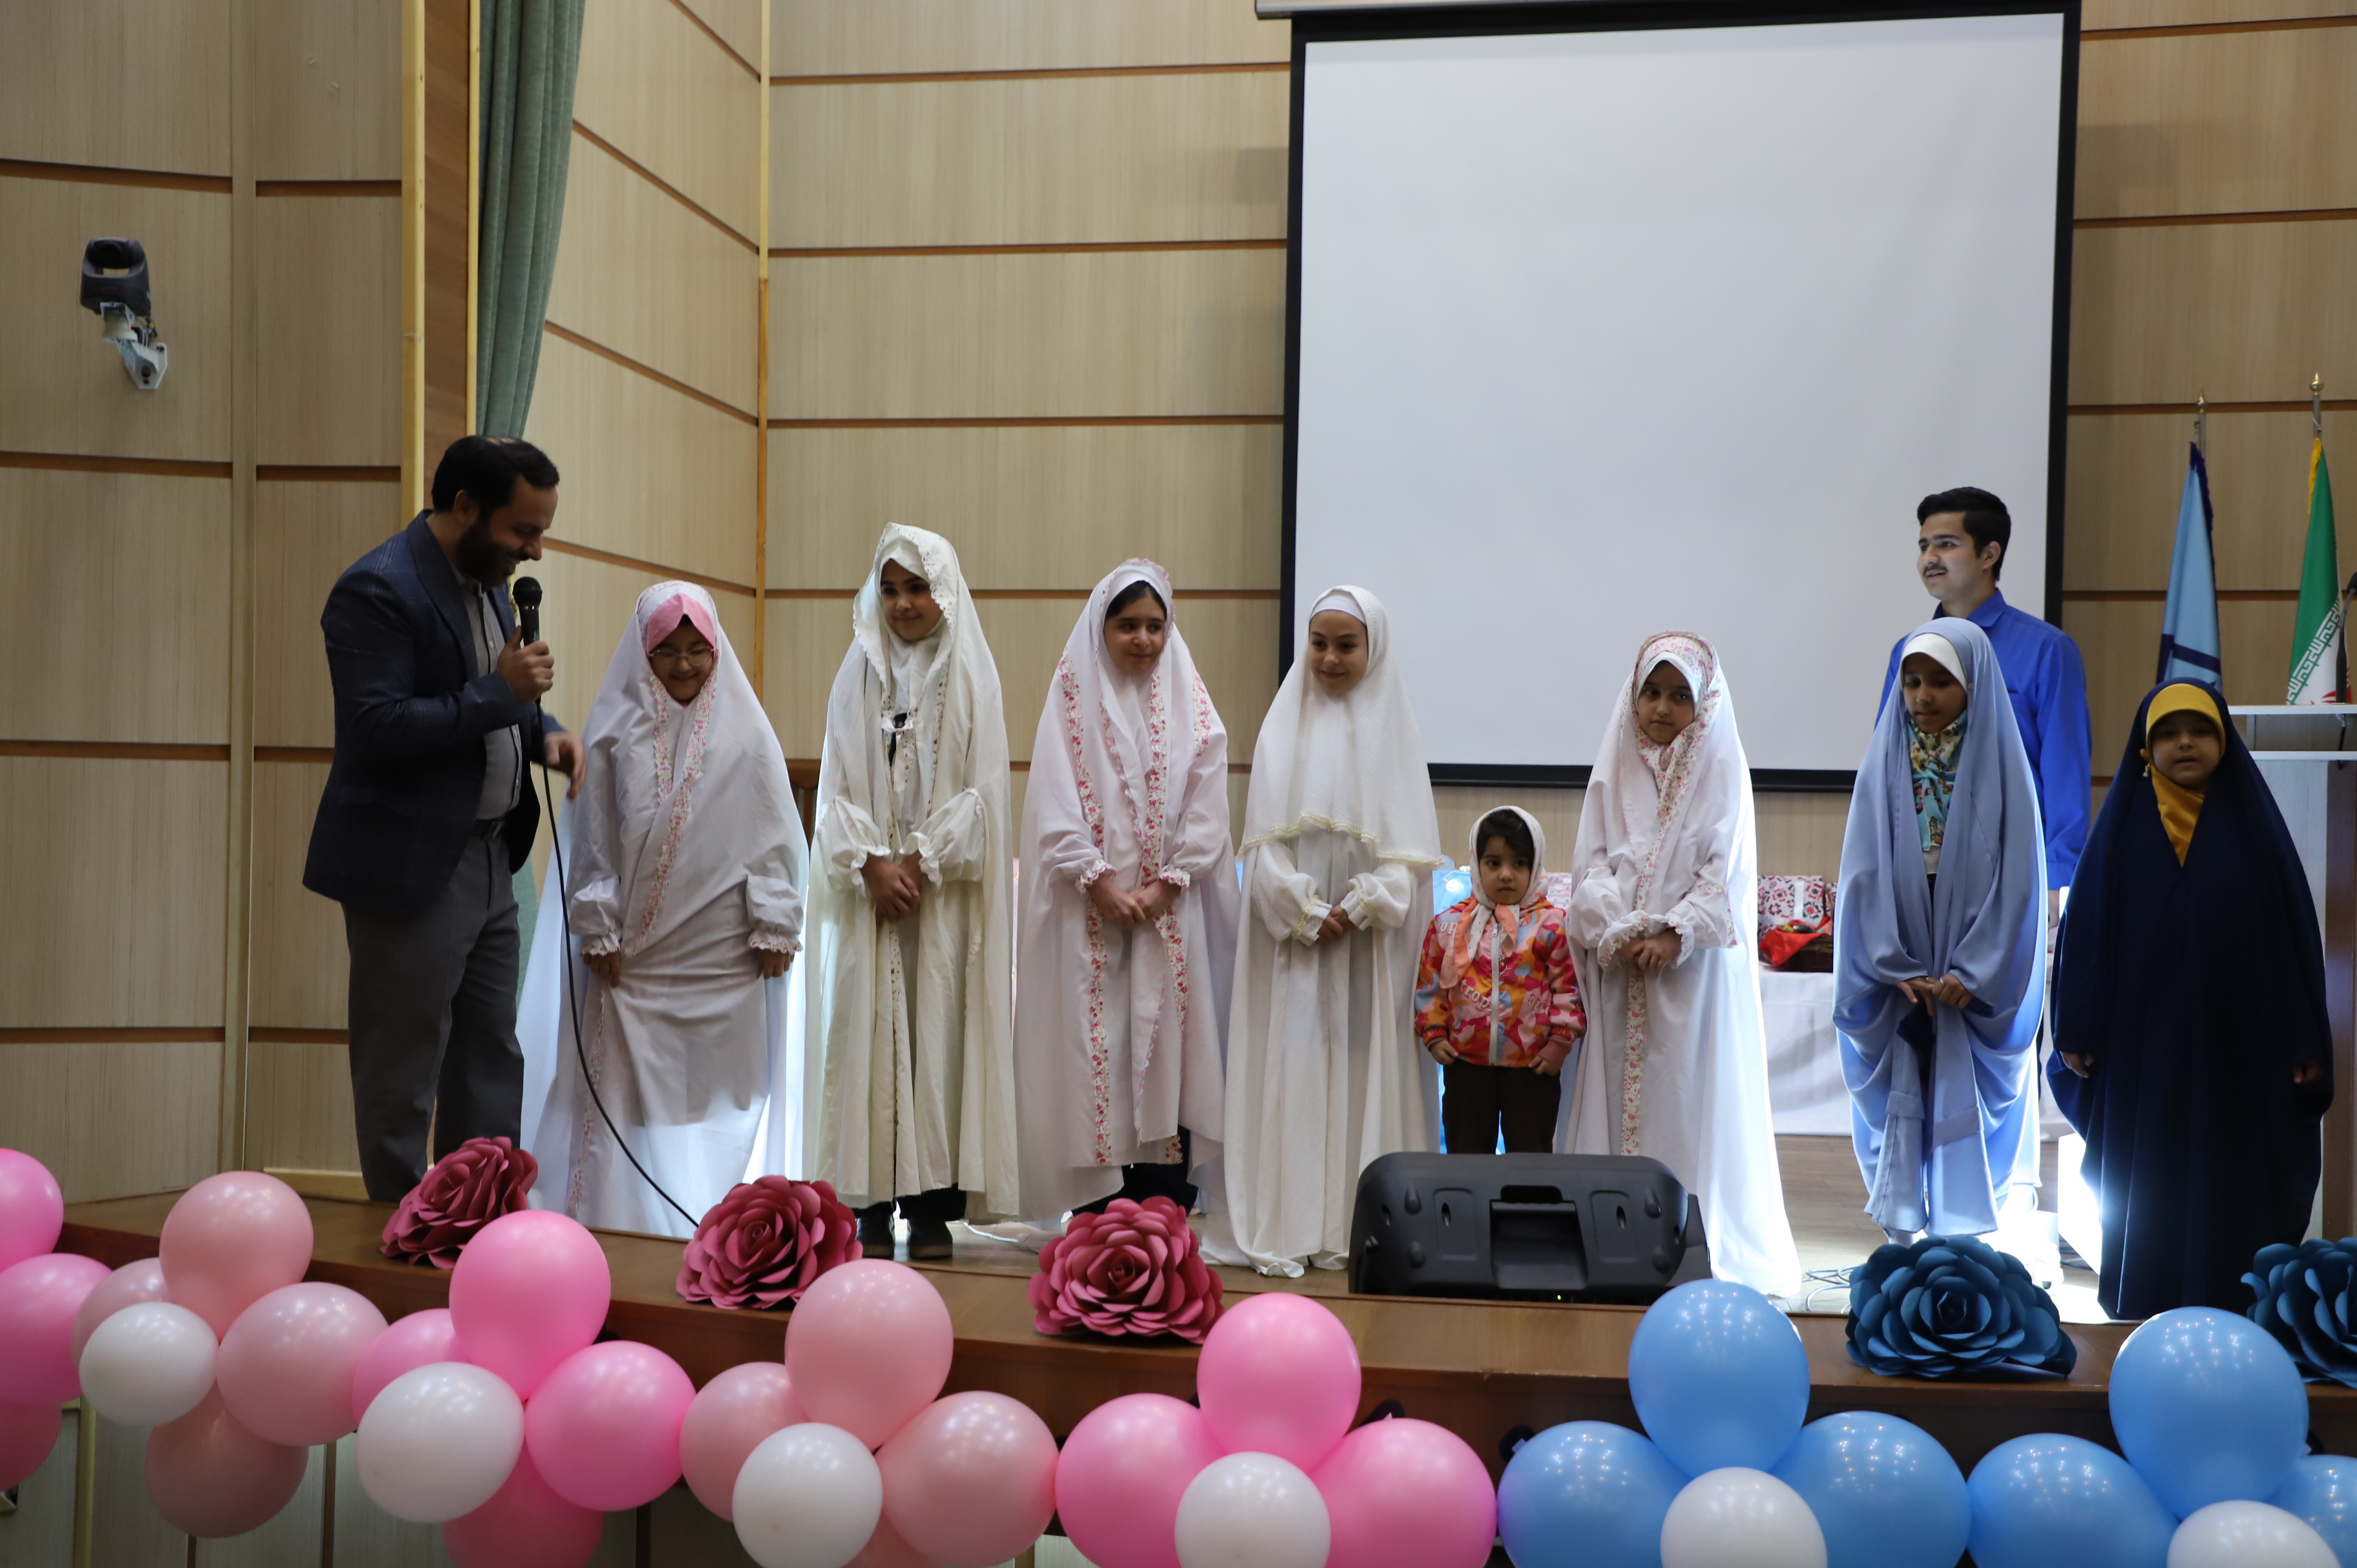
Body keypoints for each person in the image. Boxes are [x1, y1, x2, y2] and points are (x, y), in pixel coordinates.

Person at [305, 435, 582, 1201]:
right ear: (465, 506)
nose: (533, 551)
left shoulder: (488, 581)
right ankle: (397, 1228)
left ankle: (480, 1221)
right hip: (412, 863)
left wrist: (543, 732)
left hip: (493, 857)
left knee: (490, 1056)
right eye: (523, 531)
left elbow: (487, 696)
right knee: (404, 1065)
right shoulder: (377, 589)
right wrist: (502, 695)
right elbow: (376, 726)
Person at [523, 582, 807, 1237]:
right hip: (633, 959)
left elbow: (772, 835)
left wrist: (774, 921)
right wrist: (598, 926)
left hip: (720, 952)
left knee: (716, 1098)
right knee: (621, 1102)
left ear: (716, 650)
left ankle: (708, 1223)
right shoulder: (613, 728)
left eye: (696, 650)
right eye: (667, 651)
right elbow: (594, 836)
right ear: (642, 652)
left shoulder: (747, 732)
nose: (683, 664)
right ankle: (620, 1227)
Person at [2049, 683, 2332, 1317]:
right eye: (2169, 732)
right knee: (2145, 1176)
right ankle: (2142, 1305)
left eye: (2200, 731)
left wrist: (2303, 1038)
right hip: (2141, 1049)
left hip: (2240, 1046)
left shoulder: (2253, 829)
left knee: (2232, 1172)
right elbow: (2086, 936)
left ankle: (2237, 1306)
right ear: (2145, 747)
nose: (2185, 743)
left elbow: (2290, 939)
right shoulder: (2120, 832)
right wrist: (2077, 1028)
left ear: (2223, 741)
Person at [1881, 488, 2088, 1269]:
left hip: (2009, 894)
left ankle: (1996, 1225)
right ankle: (1915, 1222)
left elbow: (2064, 777)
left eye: (1946, 543)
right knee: (1916, 1050)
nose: (1930, 558)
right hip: (1923, 893)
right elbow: (1889, 771)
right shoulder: (1910, 649)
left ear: (1990, 552)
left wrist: (2055, 897)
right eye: (1923, 544)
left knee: (1995, 1057)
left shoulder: (2043, 650)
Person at [1212, 585, 1445, 1276]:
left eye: (1346, 645)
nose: (1330, 658)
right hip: (1299, 946)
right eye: (1319, 643)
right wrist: (1306, 909)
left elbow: (1410, 859)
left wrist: (1364, 903)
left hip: (1368, 951)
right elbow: (1262, 847)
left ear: (1373, 649)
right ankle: (1291, 1220)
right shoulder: (1282, 728)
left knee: (1362, 1068)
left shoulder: (1397, 736)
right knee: (1297, 1068)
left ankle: (1356, 1220)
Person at [1562, 634, 1801, 1296]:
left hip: (1689, 977)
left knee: (1685, 1096)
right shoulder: (1615, 760)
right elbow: (1593, 858)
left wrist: (1675, 933)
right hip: (1622, 968)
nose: (1661, 709)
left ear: (1703, 704)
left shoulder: (1719, 764)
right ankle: (1612, 1236)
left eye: (1677, 696)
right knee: (1616, 1095)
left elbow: (1725, 869)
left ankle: (1681, 1240)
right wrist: (1616, 926)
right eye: (1650, 692)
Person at [802, 525, 1017, 1258]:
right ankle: (866, 1206)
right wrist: (870, 865)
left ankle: (929, 1209)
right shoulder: (857, 673)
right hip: (870, 896)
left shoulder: (972, 676)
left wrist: (920, 864)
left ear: (944, 591)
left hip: (938, 900)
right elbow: (834, 788)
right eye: (890, 589)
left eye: (918, 588)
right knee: (863, 1037)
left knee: (938, 1037)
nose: (902, 604)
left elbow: (983, 800)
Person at [1015, 561, 1240, 1221]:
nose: (1142, 639)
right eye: (1126, 625)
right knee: (1098, 1049)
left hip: (1170, 912)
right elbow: (1052, 801)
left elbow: (1208, 803)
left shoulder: (1192, 704)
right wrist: (1098, 881)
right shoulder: (1070, 699)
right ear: (1101, 629)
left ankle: (1162, 1199)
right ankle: (1099, 1205)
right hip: (1089, 914)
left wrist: (1168, 883)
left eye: (1154, 625)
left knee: (1168, 1044)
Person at [1837, 621, 2046, 1242]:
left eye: (1940, 681)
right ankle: (1905, 1238)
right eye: (1911, 682)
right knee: (1902, 1083)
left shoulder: (2003, 766)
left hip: (1970, 962)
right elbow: (1862, 873)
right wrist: (1890, 962)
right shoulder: (1883, 762)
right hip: (1901, 958)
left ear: (1973, 685)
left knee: (1968, 1091)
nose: (1922, 697)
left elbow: (2018, 885)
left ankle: (1966, 1244)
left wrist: (1973, 972)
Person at [1415, 807, 1581, 1156]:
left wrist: (1559, 1043)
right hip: (1465, 1066)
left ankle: (1527, 1198)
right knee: (1467, 1159)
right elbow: (1431, 985)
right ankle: (1467, 1198)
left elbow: (1568, 989)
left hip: (1534, 1068)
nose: (1506, 874)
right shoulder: (1449, 924)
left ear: (1535, 867)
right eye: (1493, 863)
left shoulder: (1552, 924)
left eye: (1519, 864)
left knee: (1530, 1162)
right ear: (1476, 864)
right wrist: (1434, 1034)